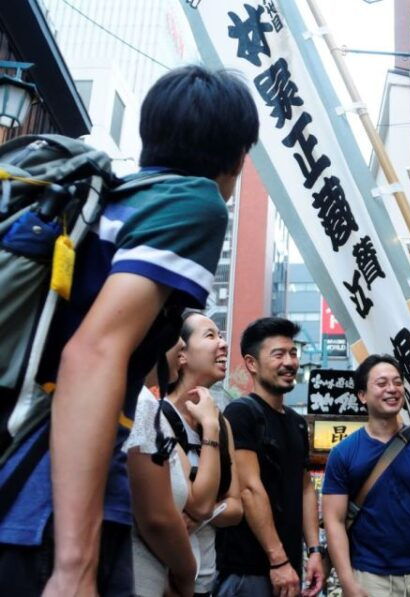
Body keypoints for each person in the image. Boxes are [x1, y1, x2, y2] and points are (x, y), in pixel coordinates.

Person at [0, 65, 259, 596]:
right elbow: (93, 353)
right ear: (237, 157)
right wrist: (76, 565)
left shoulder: (120, 200)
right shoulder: (192, 201)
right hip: (46, 508)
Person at [322, 355, 410, 597]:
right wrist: (348, 582)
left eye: (397, 382)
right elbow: (334, 521)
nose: (392, 389)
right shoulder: (342, 454)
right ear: (362, 395)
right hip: (369, 576)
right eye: (382, 383)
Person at [216, 317, 325, 597]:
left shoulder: (297, 422)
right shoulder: (241, 413)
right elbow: (249, 489)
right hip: (249, 571)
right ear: (252, 364)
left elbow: (304, 488)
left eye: (293, 353)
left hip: (288, 568)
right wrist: (278, 559)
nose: (290, 362)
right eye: (278, 354)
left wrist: (313, 551)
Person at [164, 311, 242, 596]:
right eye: (211, 336)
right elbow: (185, 505)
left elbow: (235, 506)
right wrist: (206, 509)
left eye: (221, 336)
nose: (223, 344)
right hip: (165, 583)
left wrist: (201, 516)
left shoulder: (222, 423)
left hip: (206, 583)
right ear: (181, 354)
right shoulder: (160, 414)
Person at [126, 336, 198, 597]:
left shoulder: (145, 402)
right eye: (171, 332)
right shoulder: (140, 402)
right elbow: (156, 518)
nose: (181, 344)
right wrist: (187, 575)